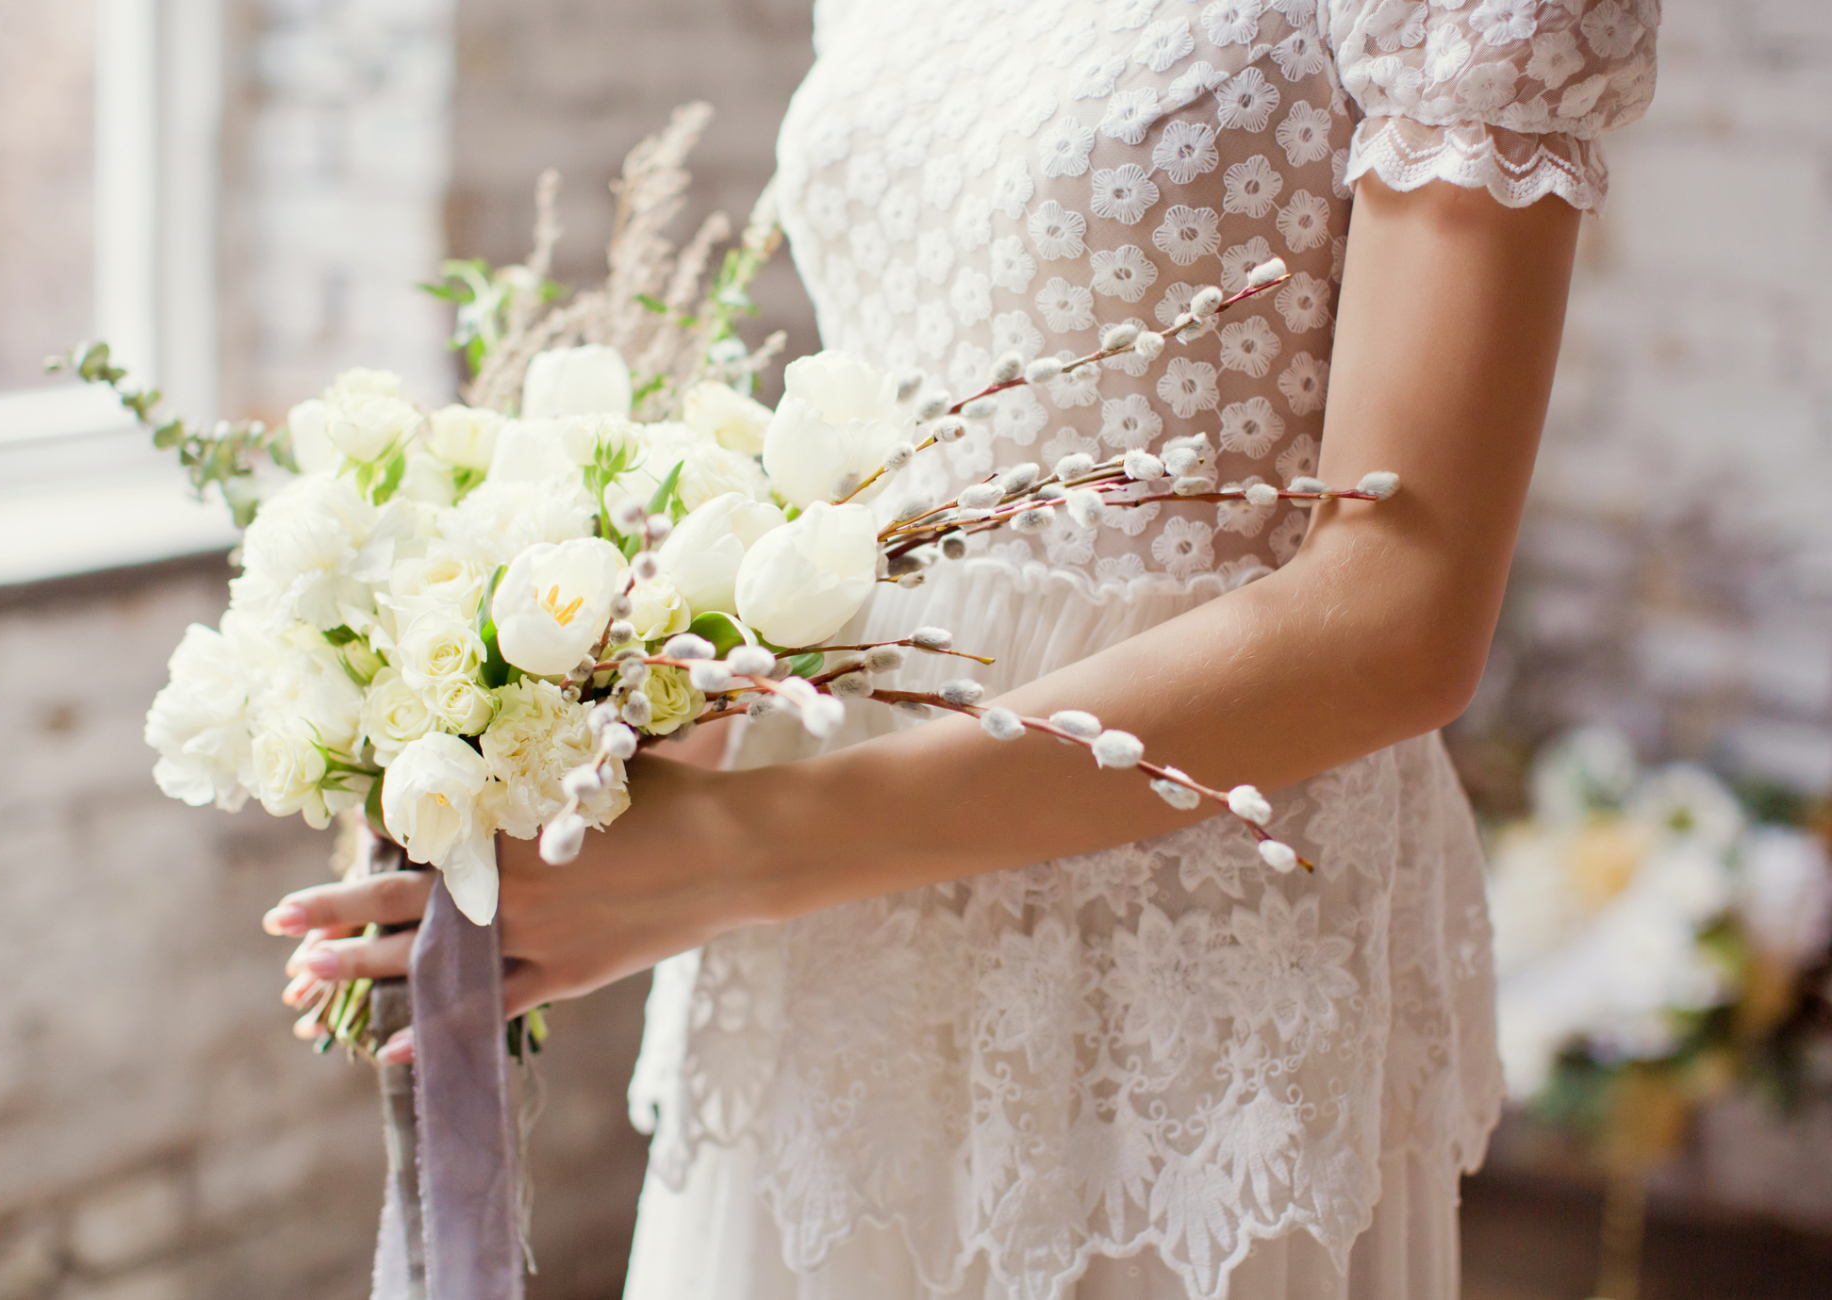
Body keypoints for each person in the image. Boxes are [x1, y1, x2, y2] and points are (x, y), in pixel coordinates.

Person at [265, 0, 1659, 1295]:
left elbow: (1395, 619)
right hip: (824, 926)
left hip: (1173, 956)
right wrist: (641, 697)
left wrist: (736, 852)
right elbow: (885, 425)